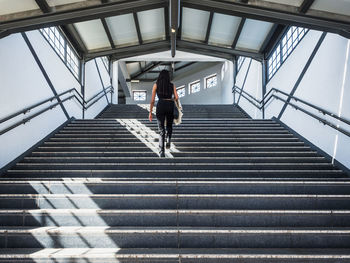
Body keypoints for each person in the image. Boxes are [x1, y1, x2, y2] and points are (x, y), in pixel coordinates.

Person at [149, 70, 179, 157]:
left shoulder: (156, 85)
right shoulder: (172, 85)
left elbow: (152, 100)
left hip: (161, 105)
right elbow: (176, 97)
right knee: (169, 125)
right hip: (170, 104)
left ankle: (161, 152)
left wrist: (150, 112)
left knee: (161, 129)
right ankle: (169, 138)